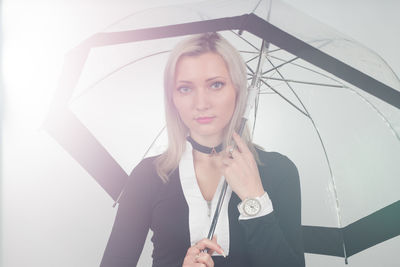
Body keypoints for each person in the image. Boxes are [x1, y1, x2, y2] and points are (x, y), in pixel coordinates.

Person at [100, 32, 305, 267]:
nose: (201, 103)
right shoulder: (149, 175)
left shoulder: (280, 171)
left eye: (216, 85)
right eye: (185, 89)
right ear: (172, 98)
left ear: (238, 91)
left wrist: (254, 199)